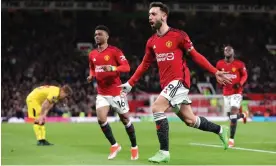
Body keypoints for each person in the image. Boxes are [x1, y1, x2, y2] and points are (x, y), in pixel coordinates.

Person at [119, 2, 232, 163]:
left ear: (164, 16)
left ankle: (164, 152)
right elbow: (145, 64)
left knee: (157, 107)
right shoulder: (151, 42)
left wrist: (215, 71)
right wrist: (130, 83)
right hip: (168, 85)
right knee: (190, 120)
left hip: (179, 81)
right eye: (149, 15)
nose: (150, 17)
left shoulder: (179, 35)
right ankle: (221, 129)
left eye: (153, 14)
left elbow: (195, 55)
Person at [87, 25, 138, 160]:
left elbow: (126, 67)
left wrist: (112, 67)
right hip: (102, 93)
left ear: (107, 36)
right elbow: (92, 68)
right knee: (101, 119)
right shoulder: (92, 54)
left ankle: (134, 146)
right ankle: (114, 145)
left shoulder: (115, 51)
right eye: (95, 34)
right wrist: (91, 75)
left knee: (125, 119)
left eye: (100, 34)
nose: (97, 36)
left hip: (116, 92)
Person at [216, 45, 248, 147]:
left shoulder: (239, 64)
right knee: (230, 116)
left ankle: (231, 139)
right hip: (226, 93)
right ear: (224, 52)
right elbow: (217, 75)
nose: (228, 51)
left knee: (233, 115)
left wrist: (240, 83)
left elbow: (245, 75)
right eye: (226, 49)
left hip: (237, 92)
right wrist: (219, 81)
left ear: (233, 52)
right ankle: (243, 115)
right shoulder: (219, 64)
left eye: (230, 49)